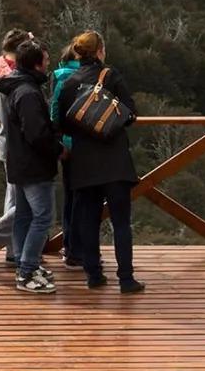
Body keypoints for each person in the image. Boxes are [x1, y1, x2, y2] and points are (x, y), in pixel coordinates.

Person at [57, 30, 144, 294]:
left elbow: (61, 124)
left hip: (83, 161)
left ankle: (93, 275)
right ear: (100, 51)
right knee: (120, 222)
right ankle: (126, 279)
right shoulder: (111, 76)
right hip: (115, 159)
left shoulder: (68, 83)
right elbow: (131, 113)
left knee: (88, 220)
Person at [0, 38, 61, 294]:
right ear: (36, 63)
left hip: (18, 162)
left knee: (23, 215)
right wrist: (58, 148)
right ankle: (26, 272)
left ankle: (24, 262)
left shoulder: (15, 87)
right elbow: (36, 134)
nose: (48, 63)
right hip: (34, 165)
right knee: (42, 218)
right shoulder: (29, 93)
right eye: (45, 59)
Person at [0, 28, 33, 261]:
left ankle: (15, 249)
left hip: (5, 140)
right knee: (29, 200)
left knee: (13, 197)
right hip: (18, 143)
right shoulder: (12, 78)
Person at [49, 42, 82, 267]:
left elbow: (54, 112)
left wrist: (59, 141)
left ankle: (70, 248)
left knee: (71, 197)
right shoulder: (84, 76)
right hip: (83, 145)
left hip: (67, 144)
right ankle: (78, 250)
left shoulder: (59, 76)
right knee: (85, 199)